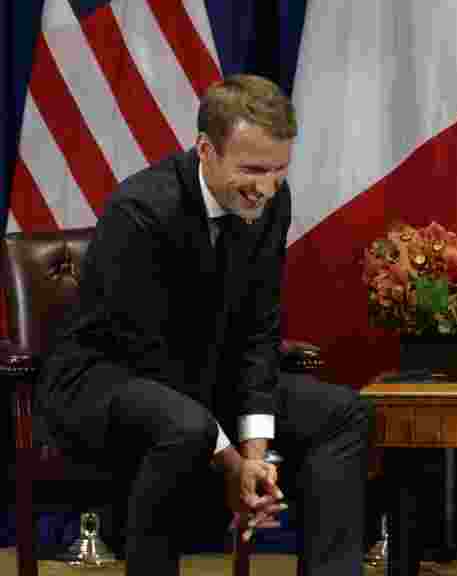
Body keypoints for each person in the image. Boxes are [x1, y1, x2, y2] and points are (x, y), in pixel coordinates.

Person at [37, 74, 373, 576]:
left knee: (341, 412)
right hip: (108, 381)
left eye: (279, 170)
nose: (266, 188)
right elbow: (146, 354)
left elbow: (259, 328)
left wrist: (257, 450)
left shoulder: (270, 202)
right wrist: (234, 463)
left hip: (206, 376)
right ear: (205, 150)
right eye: (253, 169)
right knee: (186, 424)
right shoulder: (141, 210)